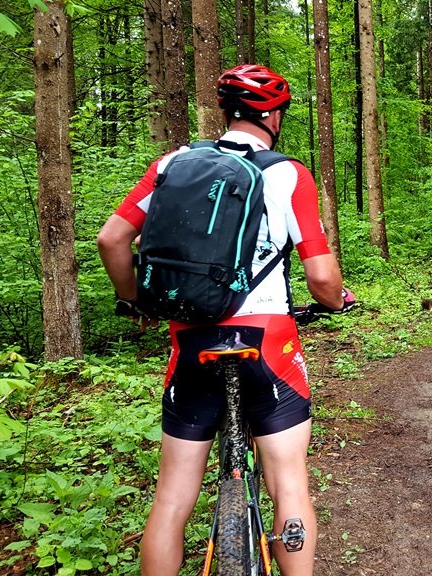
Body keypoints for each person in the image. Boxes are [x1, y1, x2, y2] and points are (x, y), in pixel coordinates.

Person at [97, 64, 350, 575]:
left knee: (171, 498)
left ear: (223, 111)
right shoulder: (288, 174)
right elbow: (322, 277)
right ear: (274, 115)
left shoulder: (172, 164)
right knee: (289, 481)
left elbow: (111, 239)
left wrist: (135, 300)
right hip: (267, 342)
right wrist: (335, 301)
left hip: (192, 342)